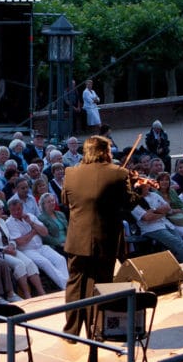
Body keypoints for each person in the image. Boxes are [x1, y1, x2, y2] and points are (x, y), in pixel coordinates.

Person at [59, 135, 142, 338]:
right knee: (101, 284)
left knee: (75, 283)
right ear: (104, 152)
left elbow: (64, 201)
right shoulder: (118, 174)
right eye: (110, 150)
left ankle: (71, 330)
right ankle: (95, 330)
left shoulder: (70, 173)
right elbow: (128, 204)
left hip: (77, 239)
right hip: (105, 240)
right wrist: (137, 187)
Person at [5, 198, 69, 289]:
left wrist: (31, 223)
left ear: (22, 207)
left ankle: (66, 285)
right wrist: (34, 232)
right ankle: (67, 286)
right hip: (27, 250)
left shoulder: (30, 216)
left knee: (60, 259)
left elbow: (45, 232)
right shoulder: (9, 222)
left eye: (18, 209)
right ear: (9, 210)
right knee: (45, 263)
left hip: (41, 247)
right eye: (13, 210)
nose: (16, 212)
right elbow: (20, 241)